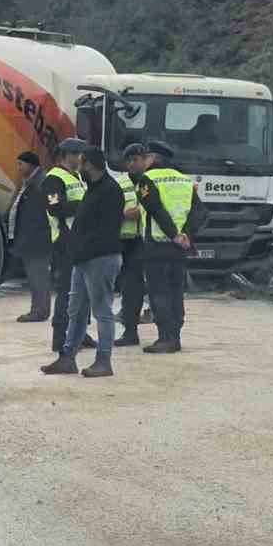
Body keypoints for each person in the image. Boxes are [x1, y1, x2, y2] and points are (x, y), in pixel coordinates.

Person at [41, 146, 124, 379]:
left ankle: (103, 360)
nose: (79, 166)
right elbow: (55, 207)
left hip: (99, 258)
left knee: (102, 311)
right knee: (75, 310)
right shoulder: (73, 184)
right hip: (81, 257)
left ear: (91, 164)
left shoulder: (108, 190)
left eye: (82, 162)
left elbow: (103, 229)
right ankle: (67, 358)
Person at [135, 139, 197, 354]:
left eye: (144, 157)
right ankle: (175, 336)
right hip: (180, 248)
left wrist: (173, 235)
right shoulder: (185, 180)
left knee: (159, 292)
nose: (142, 162)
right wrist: (186, 235)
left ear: (152, 158)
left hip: (158, 246)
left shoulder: (147, 179)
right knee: (175, 291)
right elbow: (200, 212)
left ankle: (166, 338)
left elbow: (154, 208)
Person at [42, 138, 91, 356]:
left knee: (83, 290)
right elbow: (55, 208)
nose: (82, 158)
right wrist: (85, 206)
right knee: (67, 292)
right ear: (66, 155)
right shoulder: (53, 178)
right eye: (78, 153)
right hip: (64, 243)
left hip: (79, 241)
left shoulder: (78, 177)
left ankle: (80, 333)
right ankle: (60, 338)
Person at [8, 150, 51, 323]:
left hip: (37, 240)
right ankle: (39, 309)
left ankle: (39, 311)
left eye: (21, 164)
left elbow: (46, 212)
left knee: (38, 277)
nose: (18, 168)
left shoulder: (41, 182)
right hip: (30, 238)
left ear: (31, 164)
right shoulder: (29, 182)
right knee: (34, 277)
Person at [114, 141, 148, 347]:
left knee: (141, 288)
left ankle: (135, 331)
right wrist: (123, 214)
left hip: (146, 241)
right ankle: (130, 331)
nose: (134, 164)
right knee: (128, 288)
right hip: (124, 242)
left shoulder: (150, 181)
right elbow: (108, 210)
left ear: (145, 160)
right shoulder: (119, 183)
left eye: (138, 159)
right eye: (131, 160)